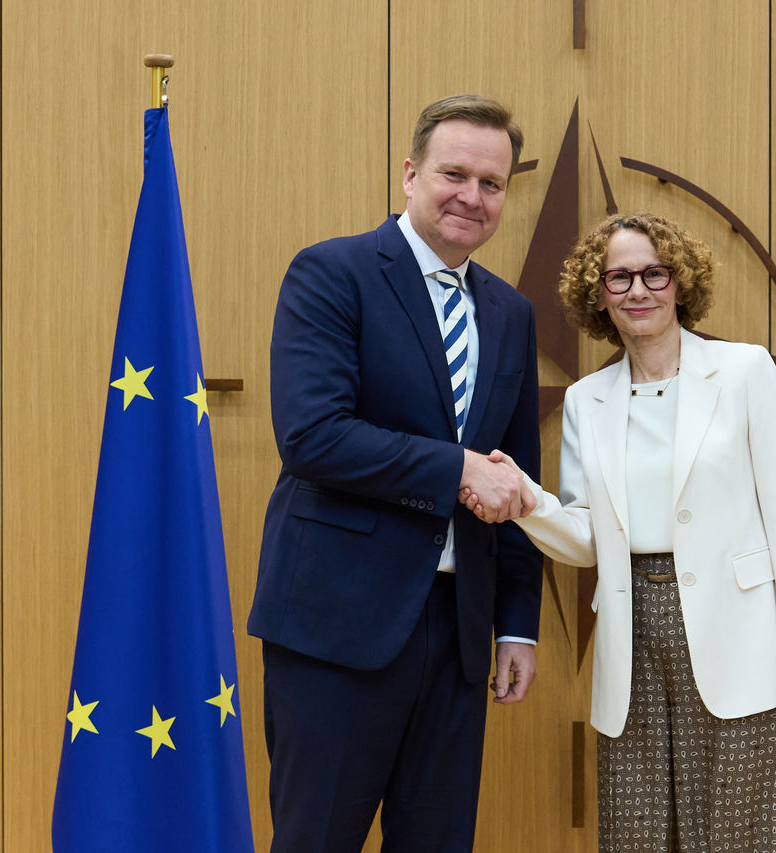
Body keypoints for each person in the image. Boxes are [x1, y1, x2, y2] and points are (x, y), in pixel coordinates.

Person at [463, 213, 776, 852]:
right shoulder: (587, 399)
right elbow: (586, 540)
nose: (638, 290)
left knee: (739, 832)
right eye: (619, 277)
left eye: (655, 274)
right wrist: (527, 502)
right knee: (638, 833)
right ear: (597, 293)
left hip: (737, 631)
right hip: (631, 632)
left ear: (681, 282)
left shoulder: (744, 371)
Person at [248, 94, 544, 853]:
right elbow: (313, 436)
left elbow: (513, 475)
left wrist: (517, 622)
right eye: (454, 174)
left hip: (460, 634)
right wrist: (457, 467)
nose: (471, 196)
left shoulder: (510, 313)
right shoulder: (332, 272)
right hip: (337, 625)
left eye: (491, 183)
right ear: (411, 174)